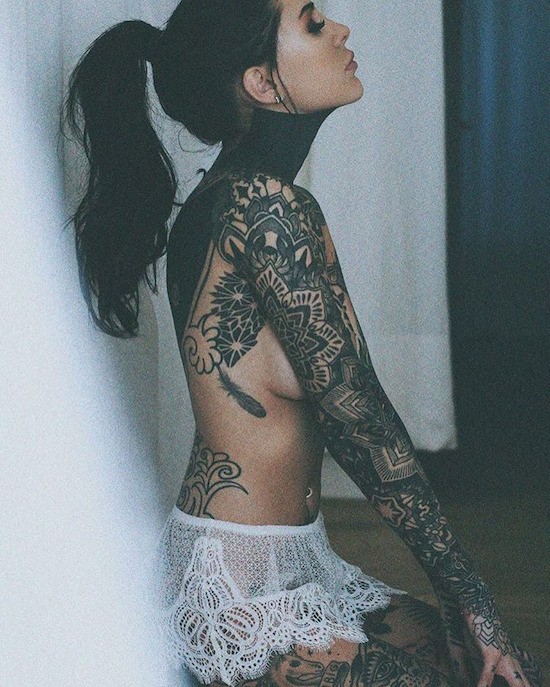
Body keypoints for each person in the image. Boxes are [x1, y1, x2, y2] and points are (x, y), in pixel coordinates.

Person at [63, 1, 542, 686]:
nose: (340, 30)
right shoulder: (266, 210)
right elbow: (362, 422)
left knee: (505, 674)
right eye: (314, 23)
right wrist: (473, 598)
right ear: (261, 83)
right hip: (239, 597)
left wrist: (467, 604)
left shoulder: (231, 197)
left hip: (293, 565)